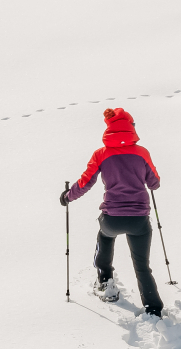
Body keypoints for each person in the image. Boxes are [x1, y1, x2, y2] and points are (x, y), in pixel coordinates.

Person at [61, 108, 164, 318]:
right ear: (131, 127)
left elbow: (85, 182)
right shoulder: (142, 152)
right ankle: (153, 308)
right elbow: (154, 183)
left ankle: (106, 281)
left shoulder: (101, 154)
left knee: (105, 236)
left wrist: (67, 197)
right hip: (139, 220)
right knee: (142, 266)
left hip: (112, 217)